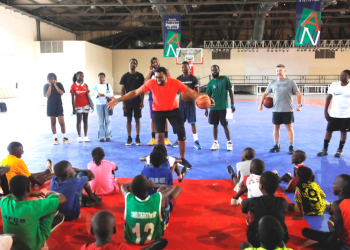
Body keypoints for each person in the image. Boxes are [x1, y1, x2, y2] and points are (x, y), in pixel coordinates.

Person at [107, 67, 214, 170]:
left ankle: (182, 159)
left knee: (181, 133)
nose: (158, 79)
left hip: (173, 110)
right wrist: (118, 99)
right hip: (158, 111)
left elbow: (192, 93)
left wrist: (206, 98)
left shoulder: (175, 82)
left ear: (166, 76)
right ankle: (162, 158)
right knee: (160, 136)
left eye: (161, 77)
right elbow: (135, 92)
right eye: (157, 77)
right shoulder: (151, 82)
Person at [0, 175, 67, 250]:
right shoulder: (36, 205)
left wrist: (30, 193)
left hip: (12, 245)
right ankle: (51, 221)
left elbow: (8, 196)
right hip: (33, 246)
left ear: (10, 189)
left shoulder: (4, 202)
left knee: (36, 213)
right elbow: (63, 199)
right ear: (29, 189)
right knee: (52, 198)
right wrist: (52, 192)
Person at [121, 174, 181, 245]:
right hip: (154, 238)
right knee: (164, 191)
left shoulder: (128, 198)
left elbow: (123, 186)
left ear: (132, 190)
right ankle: (166, 215)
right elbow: (170, 188)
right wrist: (153, 184)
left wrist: (141, 185)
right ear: (148, 188)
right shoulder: (156, 198)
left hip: (130, 239)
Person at [259, 64, 302, 154]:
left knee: (289, 128)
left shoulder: (290, 82)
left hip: (288, 109)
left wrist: (299, 105)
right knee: (276, 128)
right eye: (277, 71)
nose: (279, 72)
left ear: (284, 71)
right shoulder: (273, 82)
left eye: (280, 71)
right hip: (276, 110)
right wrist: (260, 104)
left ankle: (291, 146)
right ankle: (276, 145)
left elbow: (298, 93)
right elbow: (265, 94)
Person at [302, 174, 350, 250]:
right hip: (343, 239)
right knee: (306, 231)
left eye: (334, 183)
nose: (333, 185)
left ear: (341, 190)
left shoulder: (337, 205)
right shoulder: (339, 205)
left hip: (344, 244)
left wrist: (326, 245)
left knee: (307, 232)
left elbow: (337, 232)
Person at [242, 171, 289, 247]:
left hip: (257, 239)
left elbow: (244, 209)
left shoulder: (253, 201)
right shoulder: (283, 202)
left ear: (261, 186)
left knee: (249, 219)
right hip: (279, 238)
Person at [317, 70, 350, 157]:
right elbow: (328, 98)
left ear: (348, 77)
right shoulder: (334, 85)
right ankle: (325, 149)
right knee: (328, 131)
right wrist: (325, 112)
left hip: (346, 114)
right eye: (341, 74)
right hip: (334, 114)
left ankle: (340, 150)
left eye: (344, 75)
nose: (342, 76)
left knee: (343, 131)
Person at [205, 65, 235, 151]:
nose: (214, 71)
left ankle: (229, 142)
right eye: (213, 70)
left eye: (216, 70)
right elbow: (207, 96)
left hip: (224, 107)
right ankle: (215, 142)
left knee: (225, 125)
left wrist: (232, 105)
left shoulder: (225, 79)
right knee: (215, 125)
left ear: (219, 70)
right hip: (213, 108)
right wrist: (206, 108)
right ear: (211, 71)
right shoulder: (210, 83)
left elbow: (230, 91)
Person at [144, 57, 172, 146]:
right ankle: (153, 138)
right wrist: (149, 72)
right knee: (153, 118)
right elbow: (145, 83)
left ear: (159, 62)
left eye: (156, 61)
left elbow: (170, 81)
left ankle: (166, 138)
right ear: (151, 64)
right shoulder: (151, 73)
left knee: (165, 118)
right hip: (153, 98)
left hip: (163, 97)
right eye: (153, 62)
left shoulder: (164, 71)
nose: (155, 63)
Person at [174, 61, 202, 149]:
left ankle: (196, 140)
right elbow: (175, 91)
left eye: (185, 67)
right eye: (182, 67)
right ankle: (179, 139)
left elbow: (197, 91)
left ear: (189, 68)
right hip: (182, 105)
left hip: (191, 105)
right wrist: (182, 95)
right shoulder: (178, 78)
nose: (184, 68)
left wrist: (193, 97)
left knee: (192, 123)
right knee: (180, 124)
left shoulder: (194, 78)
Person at [120, 59, 145, 146]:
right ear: (129, 64)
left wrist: (142, 101)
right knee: (128, 119)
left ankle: (137, 138)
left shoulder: (140, 76)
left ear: (136, 65)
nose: (133, 64)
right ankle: (129, 138)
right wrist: (123, 103)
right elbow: (122, 89)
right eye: (131, 63)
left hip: (137, 101)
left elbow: (143, 89)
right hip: (127, 101)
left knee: (137, 119)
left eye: (134, 63)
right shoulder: (125, 76)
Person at [43, 73, 70, 145]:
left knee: (62, 122)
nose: (52, 80)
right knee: (53, 122)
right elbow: (47, 95)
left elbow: (61, 93)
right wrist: (50, 86)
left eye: (53, 78)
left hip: (59, 105)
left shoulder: (59, 84)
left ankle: (64, 137)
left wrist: (55, 85)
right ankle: (55, 138)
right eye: (50, 79)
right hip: (51, 106)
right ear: (48, 80)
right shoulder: (46, 86)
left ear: (55, 79)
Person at [70, 71, 93, 142]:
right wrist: (73, 108)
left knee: (85, 120)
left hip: (86, 104)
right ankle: (79, 136)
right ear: (77, 76)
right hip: (78, 105)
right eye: (80, 76)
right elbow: (72, 98)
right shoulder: (73, 86)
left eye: (82, 76)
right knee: (79, 120)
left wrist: (91, 105)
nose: (82, 77)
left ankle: (85, 136)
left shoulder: (85, 85)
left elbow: (88, 95)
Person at [93, 72, 114, 142]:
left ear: (104, 78)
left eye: (102, 77)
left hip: (107, 104)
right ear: (98, 78)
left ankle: (108, 135)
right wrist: (103, 94)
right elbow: (95, 93)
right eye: (100, 77)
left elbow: (111, 94)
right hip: (99, 104)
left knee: (108, 120)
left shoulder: (108, 85)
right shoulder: (96, 86)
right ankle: (101, 136)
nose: (101, 78)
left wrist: (102, 94)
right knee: (100, 121)